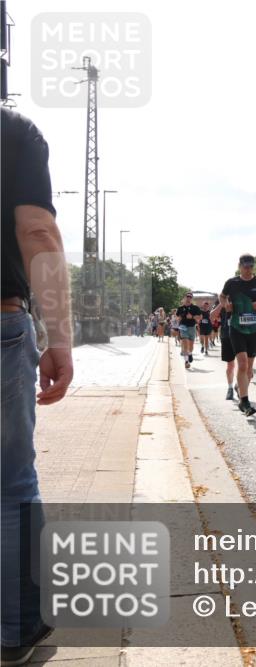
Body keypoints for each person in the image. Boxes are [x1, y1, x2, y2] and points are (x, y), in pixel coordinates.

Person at [2, 108, 74, 665]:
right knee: (10, 484)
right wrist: (59, 339)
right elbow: (37, 231)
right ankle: (15, 628)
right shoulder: (13, 132)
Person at [219, 254, 256, 416]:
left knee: (249, 368)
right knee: (242, 364)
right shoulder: (232, 283)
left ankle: (240, 388)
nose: (248, 269)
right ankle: (245, 402)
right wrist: (225, 305)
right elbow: (222, 296)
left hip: (255, 329)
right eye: (245, 266)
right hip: (236, 328)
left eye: (251, 266)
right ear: (239, 266)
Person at [176, 293, 202, 369]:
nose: (189, 298)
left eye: (190, 297)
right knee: (185, 344)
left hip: (192, 327)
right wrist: (179, 318)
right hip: (183, 327)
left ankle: (190, 353)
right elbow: (177, 317)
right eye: (187, 296)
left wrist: (192, 317)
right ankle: (186, 361)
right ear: (185, 298)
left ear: (191, 298)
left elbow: (200, 317)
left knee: (191, 346)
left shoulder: (195, 308)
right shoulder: (180, 308)